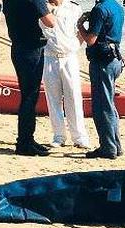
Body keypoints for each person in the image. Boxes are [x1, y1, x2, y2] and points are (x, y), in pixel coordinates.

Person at [3, 0, 56, 156]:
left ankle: (27, 139)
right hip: (31, 47)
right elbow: (50, 22)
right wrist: (52, 9)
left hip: (19, 46)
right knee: (30, 97)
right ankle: (25, 142)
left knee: (28, 95)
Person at [77, 0, 124, 160]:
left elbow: (91, 40)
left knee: (101, 106)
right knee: (109, 104)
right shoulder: (117, 6)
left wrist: (80, 25)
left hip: (102, 62)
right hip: (115, 58)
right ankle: (115, 145)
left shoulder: (100, 9)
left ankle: (108, 147)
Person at [41, 0, 90, 149]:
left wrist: (75, 45)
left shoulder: (74, 8)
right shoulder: (41, 6)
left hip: (69, 57)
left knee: (74, 97)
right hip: (49, 56)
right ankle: (59, 135)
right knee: (53, 98)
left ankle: (79, 137)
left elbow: (82, 30)